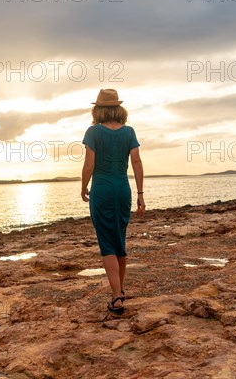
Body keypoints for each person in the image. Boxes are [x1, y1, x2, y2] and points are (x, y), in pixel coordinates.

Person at [81, 89, 145, 314]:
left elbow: (89, 165)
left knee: (106, 243)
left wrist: (82, 186)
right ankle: (120, 289)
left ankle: (117, 296)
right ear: (118, 109)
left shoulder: (94, 132)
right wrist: (140, 194)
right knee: (119, 239)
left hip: (103, 191)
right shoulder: (129, 132)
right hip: (123, 190)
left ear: (98, 110)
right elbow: (136, 162)